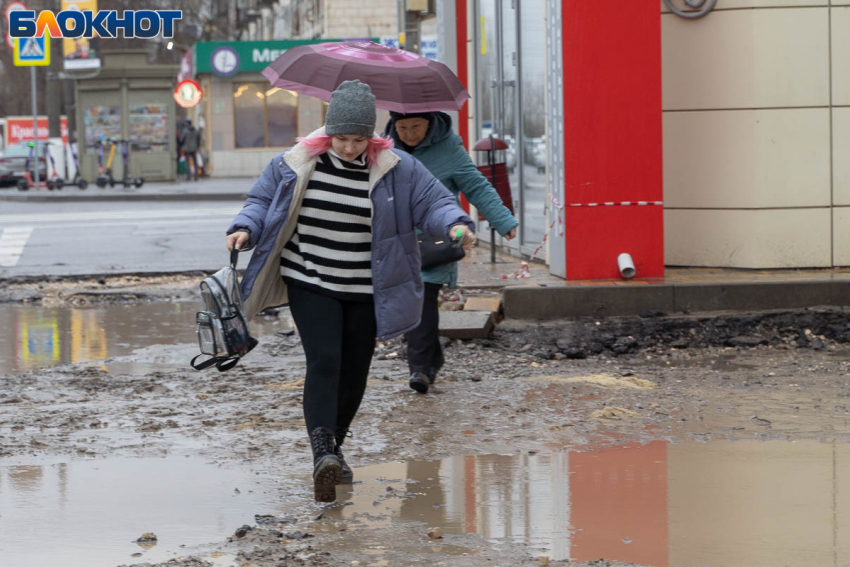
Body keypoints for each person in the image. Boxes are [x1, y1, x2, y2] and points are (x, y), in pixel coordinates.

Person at [225, 81, 476, 502]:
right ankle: (321, 452)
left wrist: (456, 224)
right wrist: (244, 228)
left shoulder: (396, 168)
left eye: (358, 139)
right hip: (310, 278)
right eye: (341, 138)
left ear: (371, 136)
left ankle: (335, 450)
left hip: (366, 286)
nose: (348, 147)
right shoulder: (297, 161)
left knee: (355, 369)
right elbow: (260, 199)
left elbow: (435, 202)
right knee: (325, 359)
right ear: (328, 133)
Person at [384, 111, 518, 394]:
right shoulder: (385, 148)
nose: (409, 133)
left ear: (430, 124)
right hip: (400, 242)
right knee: (412, 301)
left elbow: (476, 187)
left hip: (437, 240)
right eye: (402, 127)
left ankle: (419, 368)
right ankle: (432, 358)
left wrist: (502, 220)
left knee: (424, 299)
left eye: (416, 127)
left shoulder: (449, 148)